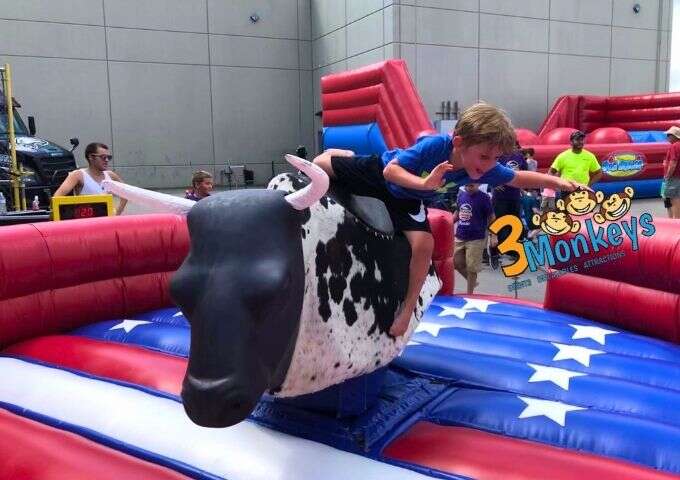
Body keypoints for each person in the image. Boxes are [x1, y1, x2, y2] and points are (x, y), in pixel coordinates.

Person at [312, 102, 586, 336]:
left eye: (496, 158)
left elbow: (517, 177)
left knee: (423, 246)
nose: (491, 165)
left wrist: (559, 182)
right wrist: (426, 184)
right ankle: (341, 153)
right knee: (322, 164)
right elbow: (391, 172)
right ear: (459, 144)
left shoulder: (480, 166)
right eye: (485, 156)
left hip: (406, 199)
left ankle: (406, 310)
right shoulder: (435, 147)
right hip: (382, 174)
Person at [54, 142, 127, 215]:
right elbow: (57, 197)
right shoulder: (78, 175)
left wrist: (118, 212)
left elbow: (126, 193)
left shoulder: (111, 175)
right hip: (87, 221)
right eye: (103, 157)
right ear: (91, 157)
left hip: (107, 221)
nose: (107, 160)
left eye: (109, 157)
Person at [453, 184, 495, 294]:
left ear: (479, 184)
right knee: (455, 262)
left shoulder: (484, 198)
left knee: (472, 267)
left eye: (473, 182)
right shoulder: (461, 196)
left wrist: (494, 235)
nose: (470, 184)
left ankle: (469, 294)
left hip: (476, 237)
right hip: (460, 235)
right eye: (467, 182)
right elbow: (457, 213)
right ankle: (472, 281)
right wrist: (447, 223)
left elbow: (491, 217)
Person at [489, 143, 527, 263]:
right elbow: (487, 169)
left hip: (514, 195)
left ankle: (513, 250)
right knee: (499, 222)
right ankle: (495, 250)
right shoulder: (497, 154)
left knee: (515, 223)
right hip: (500, 195)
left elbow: (525, 172)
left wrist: (523, 187)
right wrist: (493, 183)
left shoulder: (519, 156)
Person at [549, 130, 602, 194]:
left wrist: (588, 185)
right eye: (577, 140)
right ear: (571, 142)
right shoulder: (563, 156)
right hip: (566, 190)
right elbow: (551, 172)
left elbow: (599, 173)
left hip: (583, 190)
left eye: (582, 140)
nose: (580, 142)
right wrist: (556, 185)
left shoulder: (590, 156)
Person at [663, 126, 680, 218]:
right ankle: (672, 219)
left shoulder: (675, 146)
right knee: (673, 198)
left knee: (673, 199)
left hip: (674, 177)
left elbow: (673, 163)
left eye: (669, 135)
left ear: (675, 136)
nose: (667, 137)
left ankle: (676, 221)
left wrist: (668, 175)